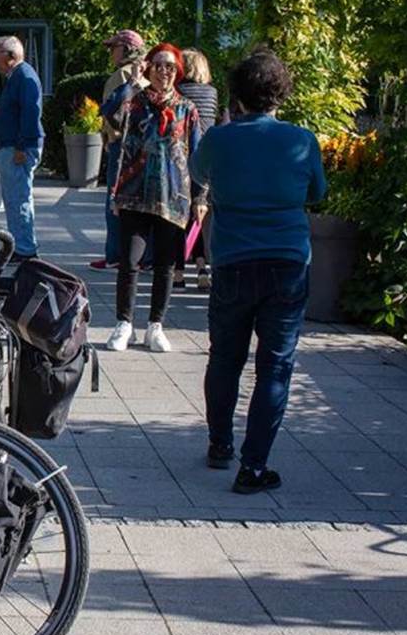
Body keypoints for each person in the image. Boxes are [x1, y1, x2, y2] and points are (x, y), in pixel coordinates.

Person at [189, 50, 326, 495]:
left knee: (224, 357)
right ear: (280, 94)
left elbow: (198, 174)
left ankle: (218, 444)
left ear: (237, 94)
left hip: (232, 261)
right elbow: (317, 192)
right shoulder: (301, 140)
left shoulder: (219, 139)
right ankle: (255, 465)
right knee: (275, 366)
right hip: (286, 261)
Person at [104, 43, 204, 354]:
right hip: (134, 191)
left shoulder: (188, 109)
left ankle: (155, 326)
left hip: (172, 196)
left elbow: (198, 156)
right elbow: (109, 113)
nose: (164, 71)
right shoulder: (136, 103)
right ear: (148, 67)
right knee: (130, 261)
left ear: (178, 72)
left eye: (170, 67)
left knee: (165, 264)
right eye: (158, 65)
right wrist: (132, 83)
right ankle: (124, 324)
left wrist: (201, 196)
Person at [89, 29, 147, 271]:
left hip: (120, 146)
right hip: (142, 148)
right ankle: (140, 255)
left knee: (114, 200)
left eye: (113, 48)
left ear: (125, 50)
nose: (111, 53)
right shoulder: (147, 75)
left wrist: (108, 139)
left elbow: (110, 113)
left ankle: (114, 254)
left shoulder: (120, 76)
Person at [176, 48, 227, 289]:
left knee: (179, 214)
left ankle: (178, 269)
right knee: (200, 212)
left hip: (182, 154)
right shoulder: (212, 93)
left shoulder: (179, 92)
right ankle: (201, 267)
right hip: (208, 155)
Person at [0, 35, 44, 260]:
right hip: (12, 146)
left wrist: (21, 145)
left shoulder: (24, 75)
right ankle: (20, 246)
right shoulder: (17, 76)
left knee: (18, 198)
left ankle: (24, 249)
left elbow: (31, 112)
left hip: (17, 148)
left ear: (10, 55)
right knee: (14, 198)